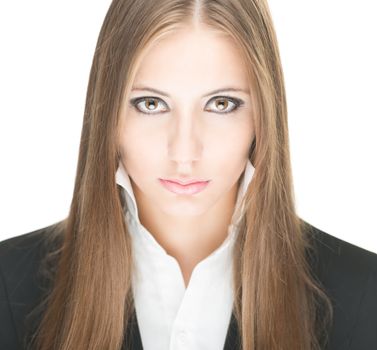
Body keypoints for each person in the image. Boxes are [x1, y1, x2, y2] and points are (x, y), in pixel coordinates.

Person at [1, 0, 376, 349]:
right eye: (151, 104)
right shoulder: (9, 285)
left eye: (221, 104)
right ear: (108, 114)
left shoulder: (364, 295)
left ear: (263, 116)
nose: (184, 153)